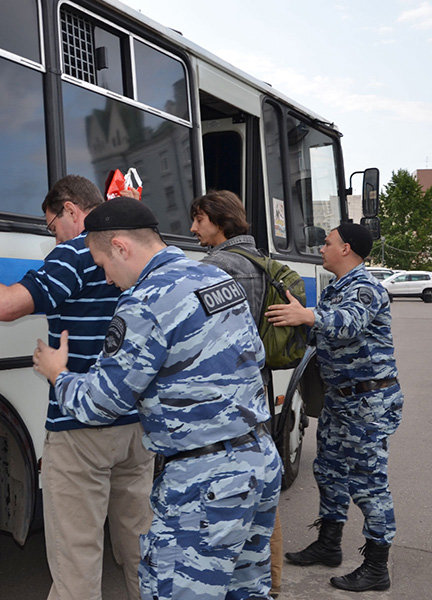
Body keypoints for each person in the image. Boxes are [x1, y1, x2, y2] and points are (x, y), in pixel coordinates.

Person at [33, 198, 282, 600]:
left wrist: (57, 373)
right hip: (259, 461)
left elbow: (101, 403)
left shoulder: (145, 300)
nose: (107, 279)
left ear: (120, 247)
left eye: (102, 265)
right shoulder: (215, 277)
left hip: (204, 481)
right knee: (245, 592)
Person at [0, 176, 152, 600]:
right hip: (135, 426)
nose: (53, 238)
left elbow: (5, 305)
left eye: (51, 226)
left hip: (82, 427)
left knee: (76, 565)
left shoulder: (76, 251)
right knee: (141, 548)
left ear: (71, 210)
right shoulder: (134, 250)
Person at [265, 223, 403, 592]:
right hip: (341, 400)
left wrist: (308, 315)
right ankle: (329, 544)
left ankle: (377, 566)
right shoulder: (335, 289)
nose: (321, 248)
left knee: (369, 484)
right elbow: (319, 334)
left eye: (327, 243)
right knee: (328, 472)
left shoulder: (366, 288)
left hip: (368, 403)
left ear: (346, 249)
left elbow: (347, 324)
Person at [190, 189, 282, 598]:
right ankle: (270, 580)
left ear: (220, 221)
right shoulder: (260, 260)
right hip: (255, 385)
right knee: (261, 488)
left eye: (199, 220)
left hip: (223, 394)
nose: (193, 228)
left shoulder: (215, 267)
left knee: (224, 496)